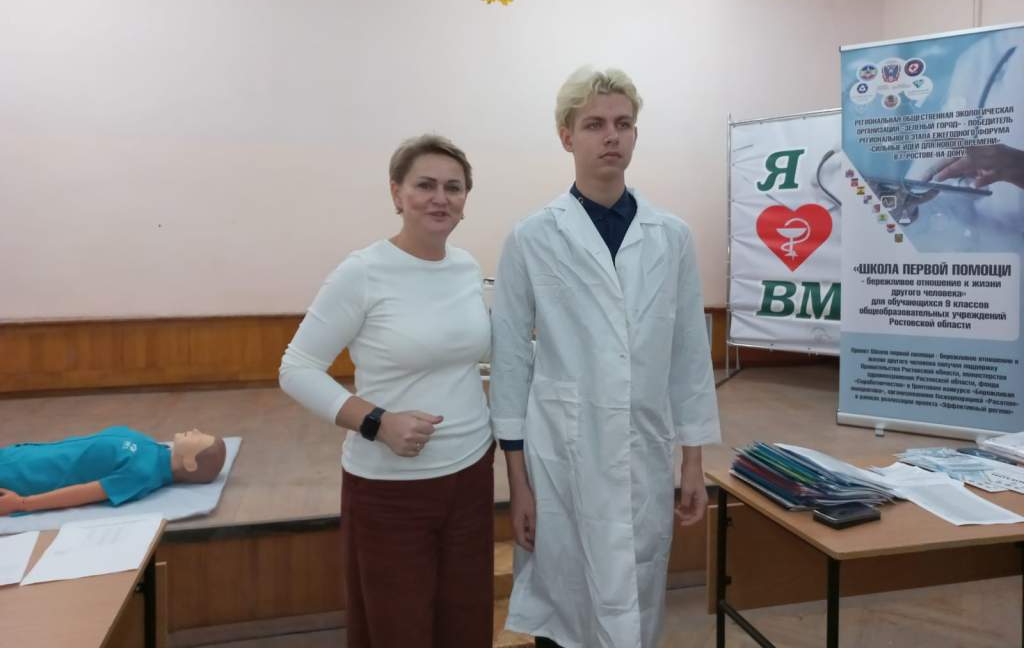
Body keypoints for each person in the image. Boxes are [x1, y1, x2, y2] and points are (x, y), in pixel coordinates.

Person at [490, 67, 721, 648]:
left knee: (636, 591)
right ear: (566, 136)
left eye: (623, 123)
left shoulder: (671, 236)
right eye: (594, 124)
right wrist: (517, 482)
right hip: (561, 450)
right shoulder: (532, 237)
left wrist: (693, 462)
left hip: (644, 446)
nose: (610, 136)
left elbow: (689, 354)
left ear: (636, 134)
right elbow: (512, 360)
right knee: (563, 595)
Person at [279, 135, 494, 648]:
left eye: (453, 188)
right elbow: (297, 368)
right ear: (397, 193)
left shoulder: (466, 268)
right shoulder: (362, 272)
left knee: (466, 627)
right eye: (425, 185)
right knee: (398, 631)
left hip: (471, 477)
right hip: (390, 491)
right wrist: (378, 421)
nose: (440, 198)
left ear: (465, 199)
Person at [0, 426, 226, 515]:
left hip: (23, 474)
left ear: (190, 463)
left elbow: (84, 493)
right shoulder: (153, 448)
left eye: (198, 438)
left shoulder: (143, 474)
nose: (194, 430)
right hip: (23, 455)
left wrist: (22, 503)